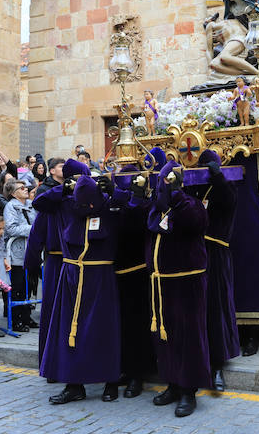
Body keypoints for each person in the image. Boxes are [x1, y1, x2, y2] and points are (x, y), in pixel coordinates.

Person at [43, 174, 121, 405]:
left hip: (100, 281)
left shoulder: (109, 210)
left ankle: (111, 381)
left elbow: (135, 206)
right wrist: (63, 188)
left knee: (103, 332)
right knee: (70, 333)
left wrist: (115, 191)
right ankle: (74, 384)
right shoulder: (67, 208)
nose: (84, 206)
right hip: (72, 279)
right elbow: (41, 202)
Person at [146, 161, 210, 417]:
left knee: (189, 338)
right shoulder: (158, 207)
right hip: (162, 283)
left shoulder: (189, 204)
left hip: (187, 282)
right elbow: (150, 224)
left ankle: (188, 391)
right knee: (166, 337)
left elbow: (197, 222)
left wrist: (177, 197)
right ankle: (172, 383)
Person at [28, 159, 89, 379]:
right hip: (56, 263)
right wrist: (32, 263)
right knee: (55, 314)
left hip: (76, 263)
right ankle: (52, 363)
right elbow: (37, 232)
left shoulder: (83, 201)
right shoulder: (53, 201)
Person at [188, 150, 240, 392]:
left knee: (216, 308)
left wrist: (218, 177)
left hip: (216, 255)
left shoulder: (225, 187)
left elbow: (229, 202)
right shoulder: (193, 189)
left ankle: (218, 365)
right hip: (193, 254)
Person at [112, 164, 156, 398]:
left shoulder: (143, 204)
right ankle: (126, 369)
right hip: (116, 272)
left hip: (138, 272)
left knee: (137, 326)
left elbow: (133, 222)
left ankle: (138, 374)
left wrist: (124, 197)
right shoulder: (118, 201)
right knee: (122, 326)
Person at [3, 180, 35, 332]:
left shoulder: (30, 205)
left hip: (31, 251)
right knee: (18, 287)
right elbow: (11, 228)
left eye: (26, 187)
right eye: (21, 188)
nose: (25, 189)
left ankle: (27, 316)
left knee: (29, 287)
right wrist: (34, 229)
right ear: (13, 193)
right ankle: (17, 320)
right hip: (17, 252)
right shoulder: (10, 206)